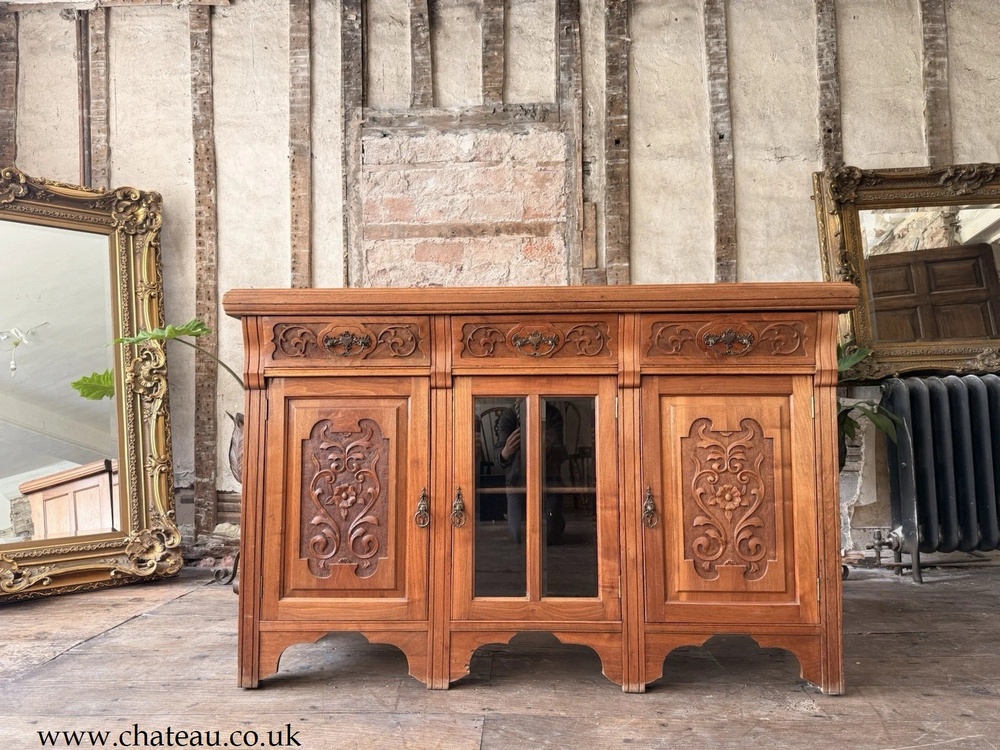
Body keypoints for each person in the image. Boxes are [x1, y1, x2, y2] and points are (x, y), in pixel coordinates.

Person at [493, 401, 567, 544]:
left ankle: (555, 518)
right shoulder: (509, 417)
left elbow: (562, 454)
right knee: (518, 536)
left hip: (549, 481)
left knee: (549, 537)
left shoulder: (552, 414)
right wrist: (506, 451)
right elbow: (498, 457)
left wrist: (548, 449)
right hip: (516, 482)